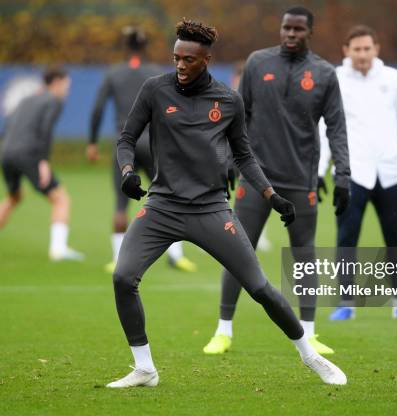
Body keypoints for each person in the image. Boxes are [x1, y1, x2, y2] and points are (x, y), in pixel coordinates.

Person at [107, 19, 347, 388]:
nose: (180, 66)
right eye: (176, 58)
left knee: (260, 288)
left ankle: (310, 355)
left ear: (205, 60)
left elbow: (245, 157)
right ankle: (144, 368)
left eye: (189, 59)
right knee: (123, 277)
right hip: (162, 207)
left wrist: (272, 196)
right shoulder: (155, 90)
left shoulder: (228, 100)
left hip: (211, 210)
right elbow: (126, 138)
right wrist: (127, 171)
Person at [203, 5, 350, 356]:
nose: (290, 34)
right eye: (286, 28)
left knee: (304, 257)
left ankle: (310, 333)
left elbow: (337, 128)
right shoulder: (257, 63)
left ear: (309, 32)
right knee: (239, 251)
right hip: (256, 178)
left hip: (301, 180)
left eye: (298, 29)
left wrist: (342, 174)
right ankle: (223, 330)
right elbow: (237, 115)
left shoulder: (324, 74)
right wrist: (226, 159)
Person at [328, 25, 397, 321]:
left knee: (395, 237)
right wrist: (320, 169)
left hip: (391, 171)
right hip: (350, 173)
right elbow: (323, 126)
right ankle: (346, 302)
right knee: (346, 237)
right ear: (346, 50)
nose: (362, 54)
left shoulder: (393, 78)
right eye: (356, 49)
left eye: (367, 48)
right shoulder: (334, 79)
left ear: (376, 49)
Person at [87, 26, 197, 273]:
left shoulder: (113, 74)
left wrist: (92, 143)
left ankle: (118, 258)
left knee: (120, 202)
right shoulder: (156, 73)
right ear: (145, 47)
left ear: (125, 47)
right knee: (169, 197)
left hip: (125, 145)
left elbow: (97, 110)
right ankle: (176, 255)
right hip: (153, 143)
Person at [0, 67, 83, 261]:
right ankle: (58, 249)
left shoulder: (26, 100)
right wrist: (43, 161)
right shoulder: (54, 101)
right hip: (28, 154)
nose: (67, 89)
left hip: (6, 152)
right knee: (60, 198)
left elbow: (7, 127)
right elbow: (45, 131)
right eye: (67, 85)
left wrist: (5, 150)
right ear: (57, 82)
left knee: (13, 197)